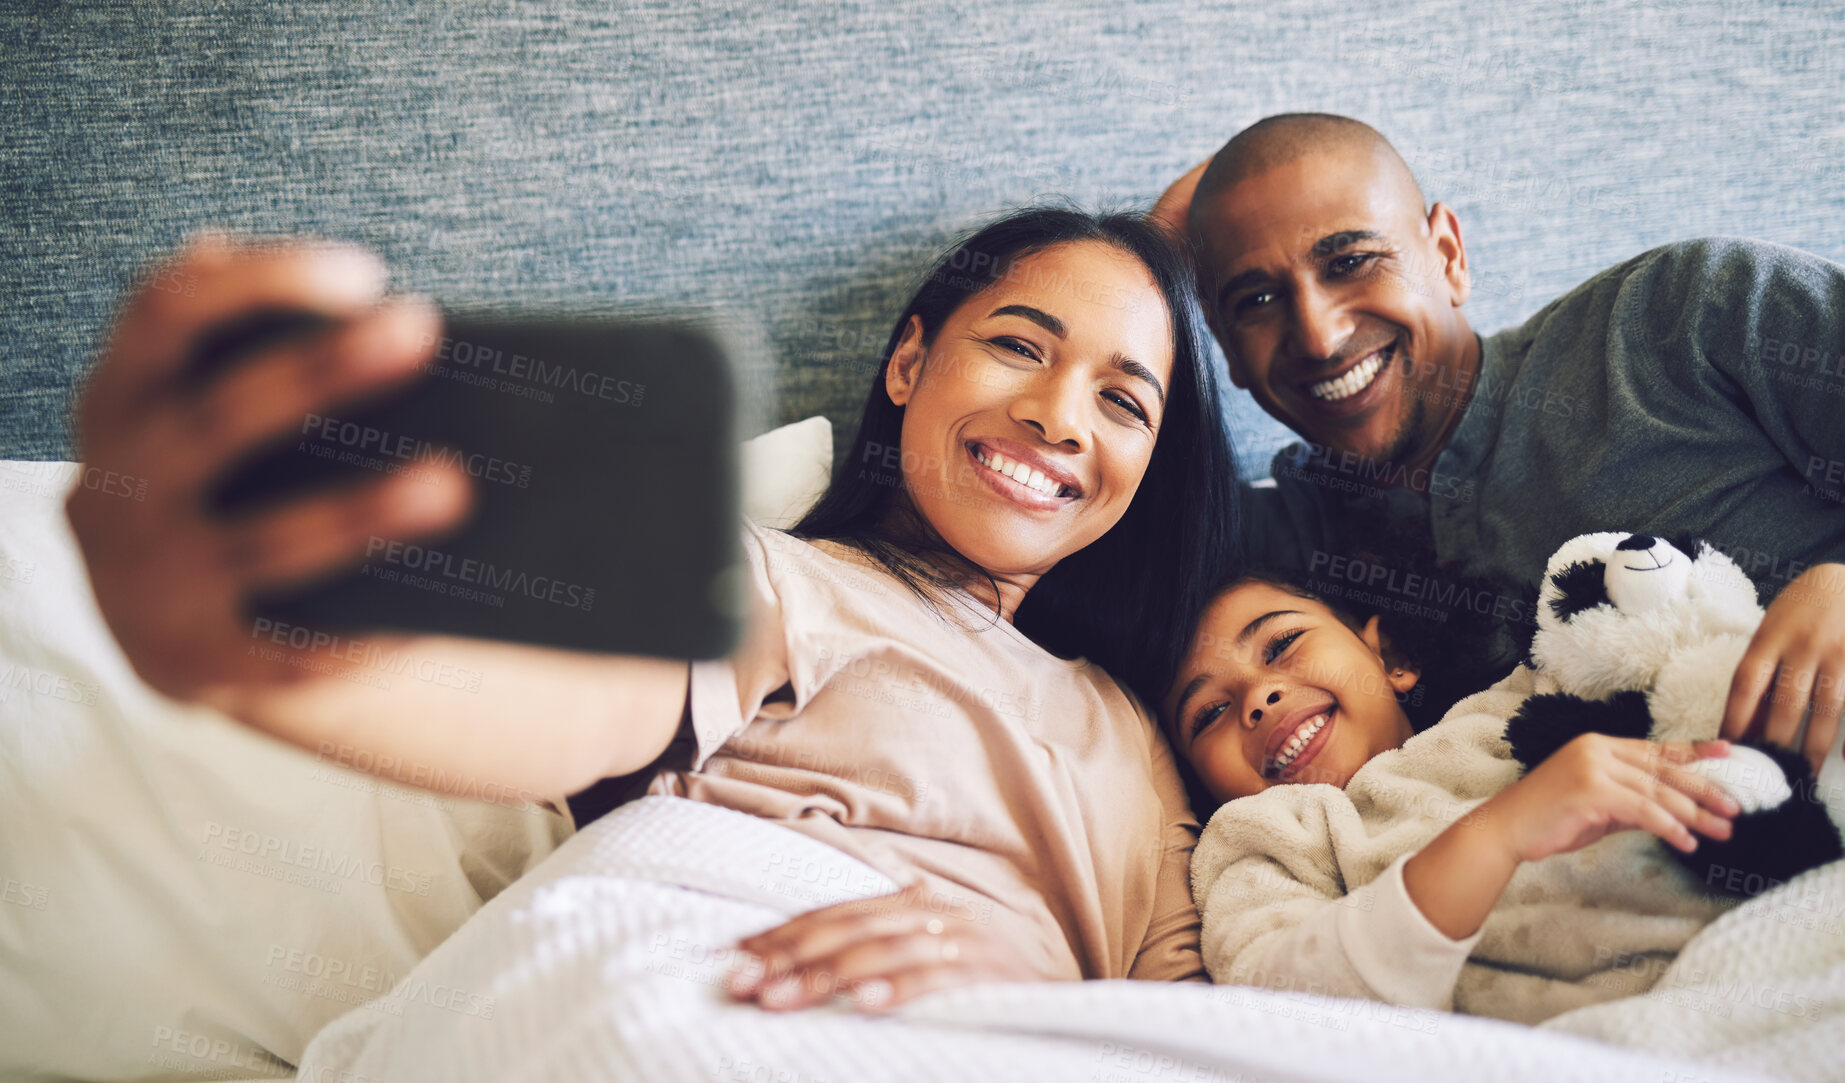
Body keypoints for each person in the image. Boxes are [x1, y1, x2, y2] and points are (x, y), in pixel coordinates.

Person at [64, 207, 1239, 1011]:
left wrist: (1032, 986)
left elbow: (1201, 1034)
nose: (1058, 415)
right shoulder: (783, 585)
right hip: (757, 998)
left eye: (1124, 403)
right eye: (1018, 346)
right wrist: (274, 646)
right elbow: (590, 700)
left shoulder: (1141, 743)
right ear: (908, 366)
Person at [1152, 113, 1845, 775]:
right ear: (1224, 348)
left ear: (1448, 255)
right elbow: (1070, 545)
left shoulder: (1681, 312)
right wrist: (1146, 267)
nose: (1319, 336)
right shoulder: (1284, 554)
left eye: (1351, 261)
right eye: (1257, 302)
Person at [1162, 567, 1743, 1024]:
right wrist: (1498, 836)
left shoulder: (1520, 699)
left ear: (1390, 658)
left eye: (1281, 644)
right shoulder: (1261, 842)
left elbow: (1693, 657)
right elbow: (1281, 1012)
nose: (1257, 699)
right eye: (1209, 712)